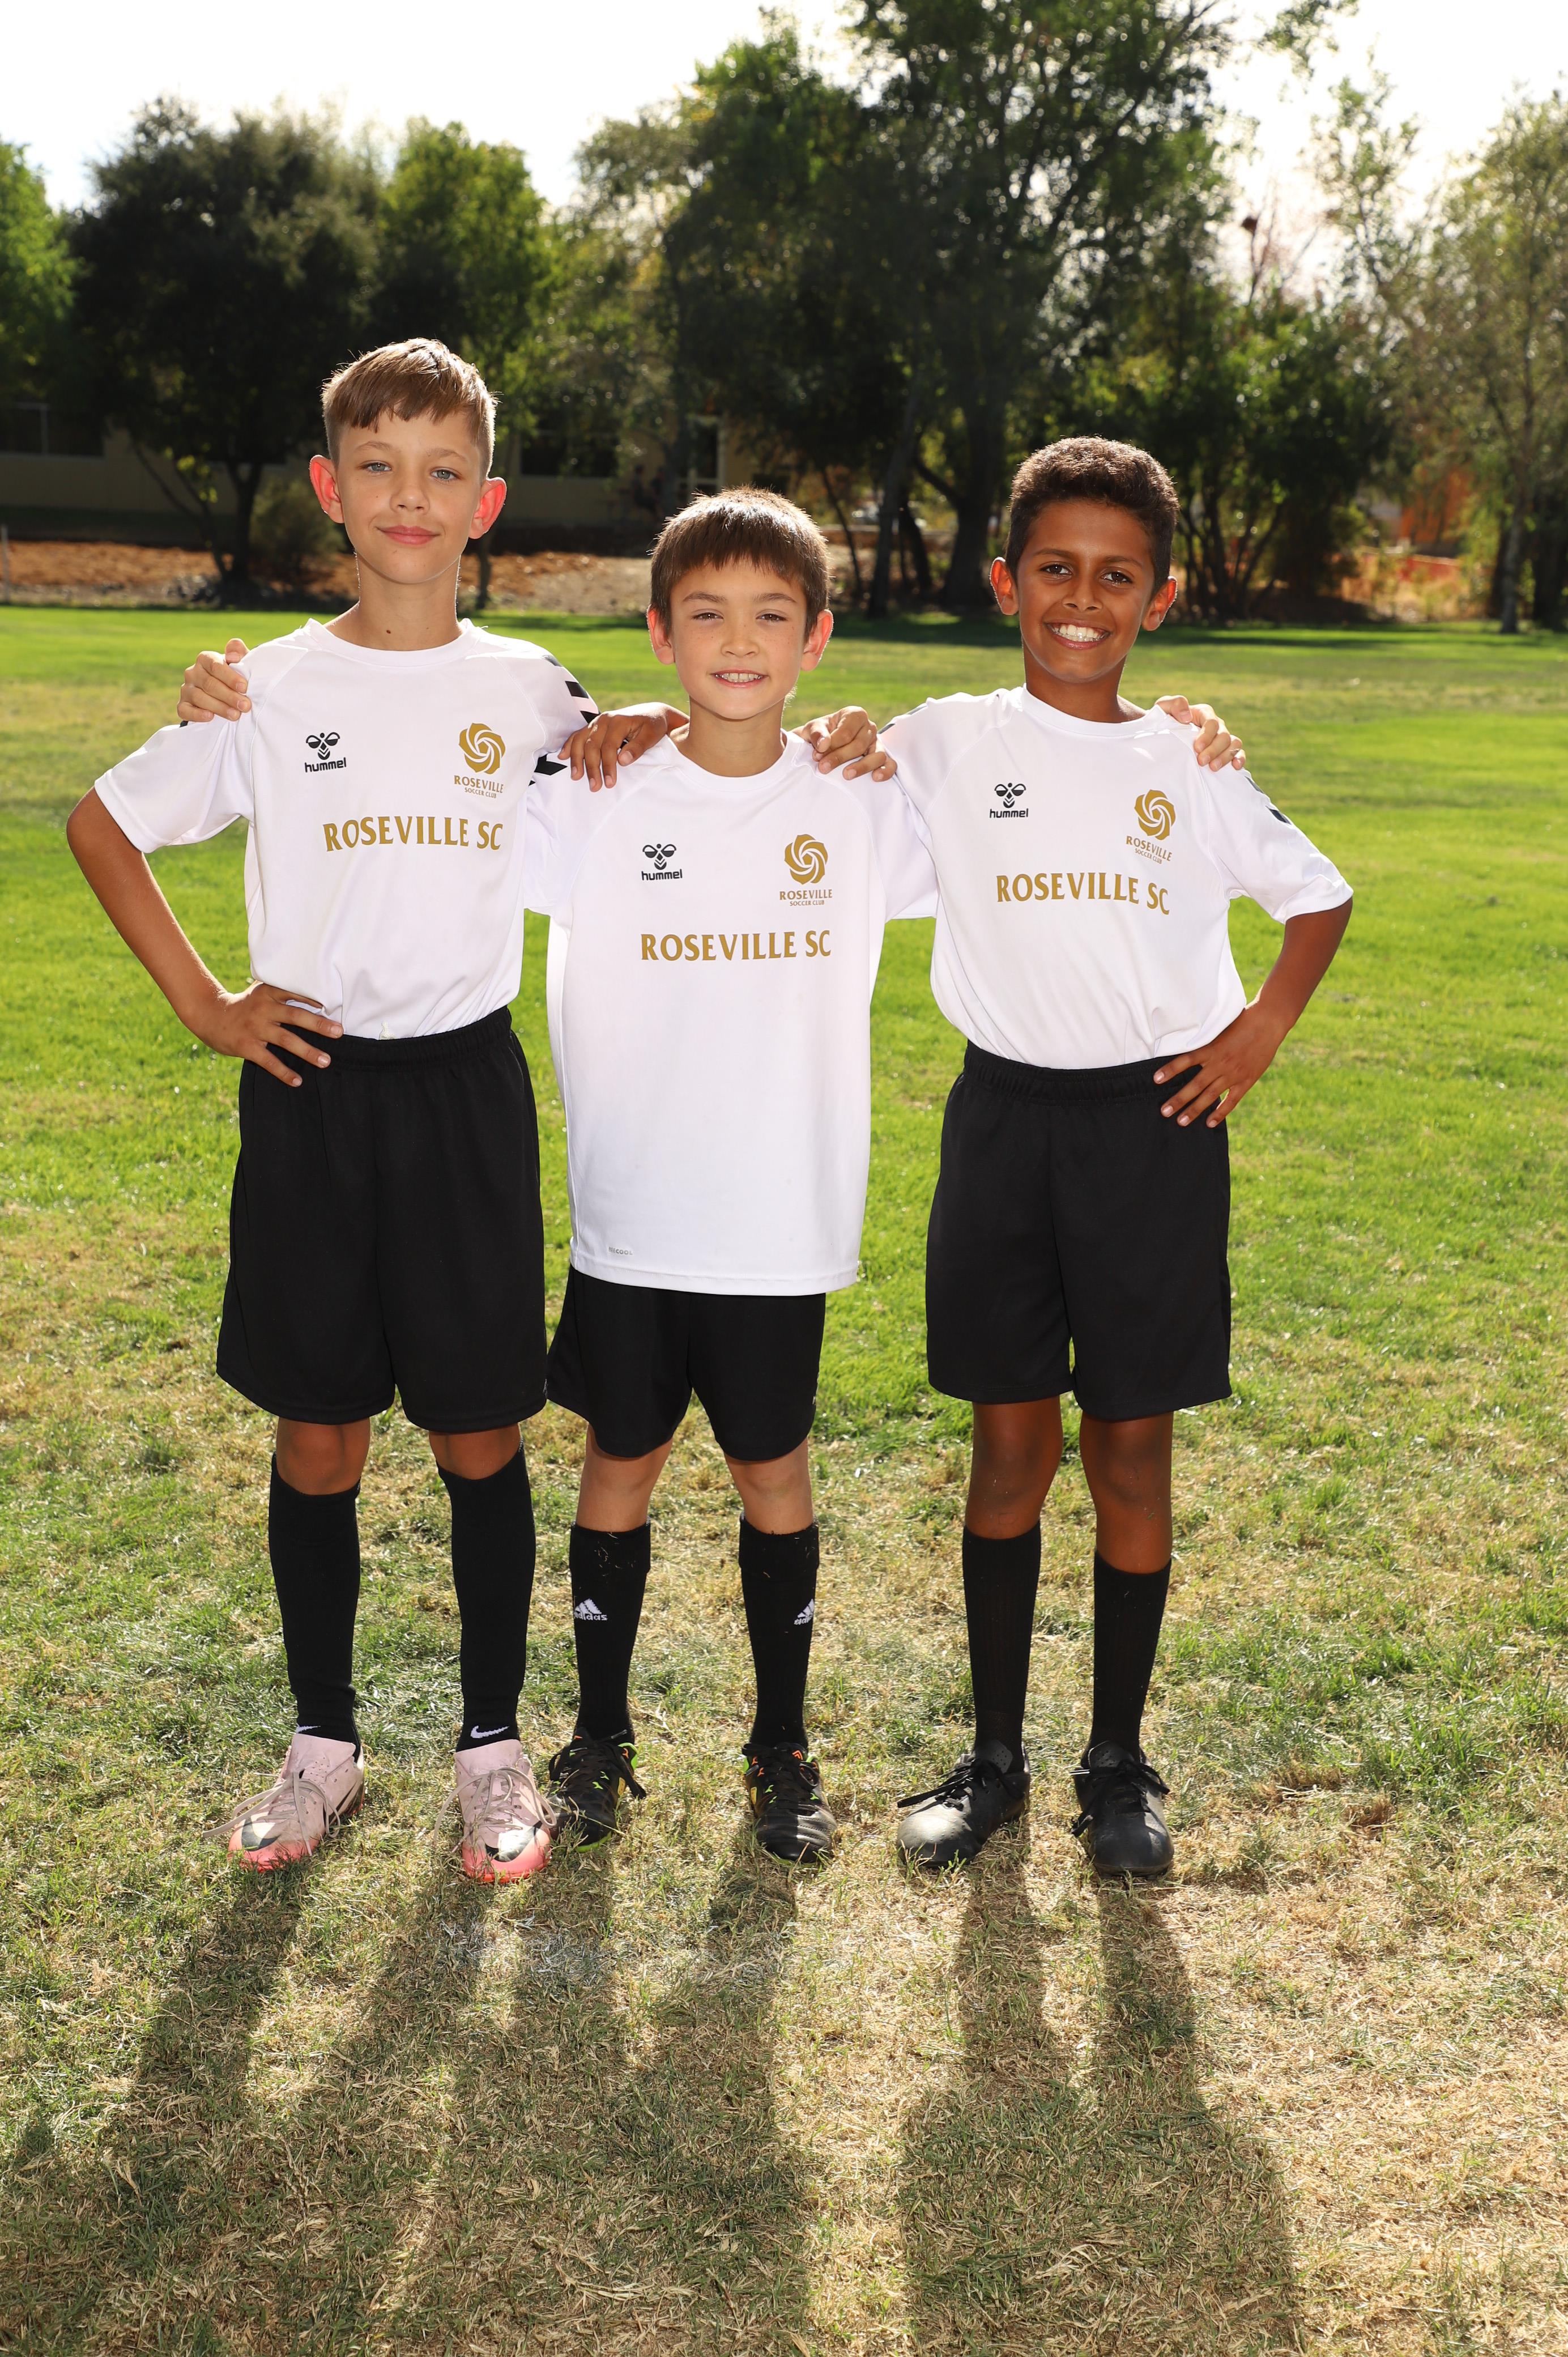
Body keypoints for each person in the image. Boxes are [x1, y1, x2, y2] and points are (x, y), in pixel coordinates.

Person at [69, 338, 884, 1886]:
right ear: (329, 488)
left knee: (477, 1432)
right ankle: (321, 1745)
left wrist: (813, 732)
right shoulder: (266, 687)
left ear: (485, 501)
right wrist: (211, 1005)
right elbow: (103, 822)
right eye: (378, 467)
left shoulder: (530, 689)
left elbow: (674, 738)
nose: (410, 496)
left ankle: (493, 1748)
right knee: (319, 1434)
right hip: (311, 1089)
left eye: (443, 470)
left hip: (462, 1092)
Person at [883, 436, 1352, 1876]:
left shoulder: (1186, 760)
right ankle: (994, 1756)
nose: (1080, 601)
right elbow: (785, 752)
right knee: (1008, 1444)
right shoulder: (947, 739)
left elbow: (1317, 897)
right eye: (1055, 570)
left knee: (1131, 1450)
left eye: (1114, 577)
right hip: (1002, 1123)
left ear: (1158, 597)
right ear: (1005, 580)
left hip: (1153, 1133)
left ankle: (1117, 1765)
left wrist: (1255, 1032)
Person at [525, 488, 937, 1863]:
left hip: (776, 1220)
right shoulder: (598, 791)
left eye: (771, 615)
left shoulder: (860, 800)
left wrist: (1187, 730)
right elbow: (441, 814)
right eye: (706, 614)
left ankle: (781, 1746)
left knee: (774, 1468)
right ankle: (597, 1736)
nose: (739, 641)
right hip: (635, 1215)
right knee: (619, 1460)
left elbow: (1024, 800)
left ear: (817, 638)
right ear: (660, 633)